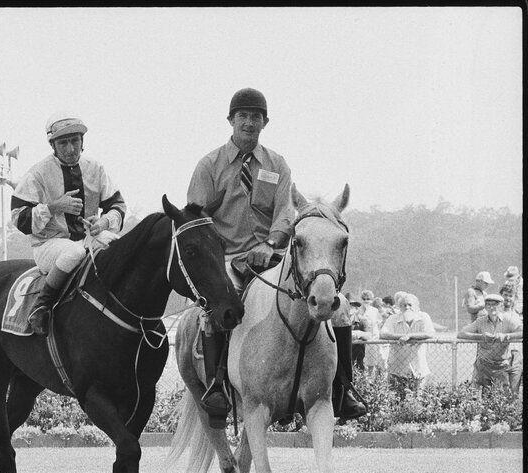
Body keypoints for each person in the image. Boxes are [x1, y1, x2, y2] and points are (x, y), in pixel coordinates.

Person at [186, 87, 365, 425]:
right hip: (225, 257)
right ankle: (215, 387)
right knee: (213, 313)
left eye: (256, 117)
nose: (249, 123)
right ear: (231, 120)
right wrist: (215, 252)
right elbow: (196, 217)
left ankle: (343, 389)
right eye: (243, 117)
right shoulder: (209, 165)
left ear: (265, 122)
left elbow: (286, 211)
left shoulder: (277, 164)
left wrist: (270, 244)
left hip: (273, 254)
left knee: (338, 311)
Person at [10, 111, 126, 336]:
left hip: (89, 238)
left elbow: (118, 205)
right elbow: (18, 218)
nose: (71, 149)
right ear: (53, 145)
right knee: (74, 253)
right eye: (63, 143)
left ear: (82, 142)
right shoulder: (37, 173)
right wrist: (53, 207)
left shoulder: (95, 168)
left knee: (121, 248)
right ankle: (41, 307)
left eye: (75, 141)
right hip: (50, 244)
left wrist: (103, 222)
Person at [458, 293, 523, 394]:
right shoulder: (480, 321)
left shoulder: (508, 320)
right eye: (488, 304)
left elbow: (521, 331)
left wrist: (506, 336)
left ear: (501, 306)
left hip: (501, 365)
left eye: (495, 304)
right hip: (483, 365)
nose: (492, 307)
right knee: (478, 396)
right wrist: (482, 337)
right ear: (485, 307)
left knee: (502, 397)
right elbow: (461, 333)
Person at [380, 292, 436, 397]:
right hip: (397, 368)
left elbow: (430, 333)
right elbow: (383, 333)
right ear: (399, 307)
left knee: (418, 397)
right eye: (404, 305)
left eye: (410, 305)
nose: (407, 307)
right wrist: (400, 336)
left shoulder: (423, 317)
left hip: (418, 367)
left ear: (416, 306)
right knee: (396, 398)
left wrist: (410, 336)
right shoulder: (393, 318)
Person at [499, 283, 524, 392]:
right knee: (502, 390)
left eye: (510, 296)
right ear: (501, 296)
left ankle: (513, 409)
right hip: (501, 354)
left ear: (515, 298)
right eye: (505, 295)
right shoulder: (496, 314)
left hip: (516, 354)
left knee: (514, 390)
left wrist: (508, 335)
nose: (508, 298)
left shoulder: (518, 315)